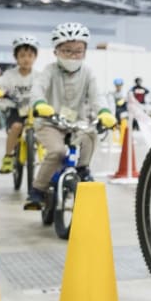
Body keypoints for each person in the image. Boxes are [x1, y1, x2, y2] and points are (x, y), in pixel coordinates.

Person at [24, 23, 117, 210]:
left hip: (75, 123)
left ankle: (83, 168)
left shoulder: (88, 72)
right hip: (49, 122)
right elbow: (37, 88)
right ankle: (37, 191)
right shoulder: (49, 70)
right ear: (56, 51)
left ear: (85, 52)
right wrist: (40, 104)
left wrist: (104, 112)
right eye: (67, 51)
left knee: (91, 133)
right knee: (57, 152)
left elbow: (97, 96)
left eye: (78, 51)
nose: (73, 56)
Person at [0, 36, 40, 175]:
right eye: (22, 55)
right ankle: (8, 156)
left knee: (46, 130)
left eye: (30, 55)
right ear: (16, 57)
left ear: (35, 57)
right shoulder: (10, 74)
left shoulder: (39, 75)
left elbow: (48, 87)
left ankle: (45, 158)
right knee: (16, 127)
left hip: (35, 110)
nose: (26, 59)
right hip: (16, 109)